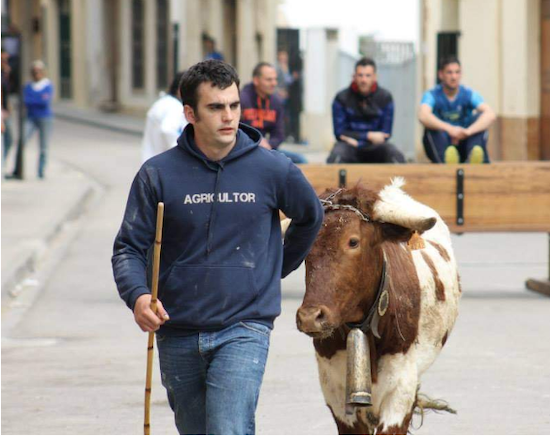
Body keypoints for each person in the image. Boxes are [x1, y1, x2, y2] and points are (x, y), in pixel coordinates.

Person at [112, 60, 323, 435]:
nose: (228, 116)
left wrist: (273, 269)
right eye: (215, 107)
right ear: (189, 112)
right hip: (176, 328)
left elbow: (311, 217)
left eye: (233, 105)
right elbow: (129, 246)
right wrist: (139, 296)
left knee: (227, 429)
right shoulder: (157, 174)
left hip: (244, 325)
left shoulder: (274, 169)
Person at [327, 57, 405, 164]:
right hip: (349, 147)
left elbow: (386, 134)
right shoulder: (341, 98)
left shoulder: (385, 97)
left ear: (375, 77)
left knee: (395, 156)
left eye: (368, 75)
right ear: (354, 76)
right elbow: (339, 132)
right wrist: (369, 136)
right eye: (360, 75)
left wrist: (358, 141)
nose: (363, 80)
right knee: (336, 157)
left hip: (376, 147)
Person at [418, 56, 496, 164]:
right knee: (430, 127)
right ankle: (447, 161)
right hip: (443, 143)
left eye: (457, 72)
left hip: (464, 142)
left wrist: (467, 132)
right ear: (441, 74)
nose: (454, 77)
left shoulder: (468, 94)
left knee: (479, 118)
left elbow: (490, 114)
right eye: (449, 72)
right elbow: (423, 115)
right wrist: (450, 129)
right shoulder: (432, 95)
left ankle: (473, 158)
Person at [240, 62, 307, 164]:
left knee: (301, 160)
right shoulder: (241, 100)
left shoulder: (276, 102)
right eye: (269, 79)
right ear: (256, 80)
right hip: (244, 149)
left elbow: (279, 135)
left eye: (275, 79)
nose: (274, 83)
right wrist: (256, 142)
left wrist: (268, 144)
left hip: (266, 149)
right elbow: (236, 130)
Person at [142, 71, 187, 162]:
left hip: (151, 159)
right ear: (179, 90)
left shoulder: (162, 103)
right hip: (165, 164)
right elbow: (167, 130)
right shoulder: (175, 107)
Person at [22, 60, 53, 179]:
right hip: (30, 117)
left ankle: (41, 171)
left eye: (39, 71)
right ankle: (20, 168)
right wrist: (37, 99)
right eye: (34, 71)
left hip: (45, 117)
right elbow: (26, 101)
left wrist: (33, 100)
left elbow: (45, 102)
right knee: (22, 140)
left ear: (43, 72)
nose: (37, 73)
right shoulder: (28, 86)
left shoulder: (47, 85)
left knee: (43, 147)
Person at [2, 50, 12, 165]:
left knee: (9, 139)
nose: (5, 62)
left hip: (5, 112)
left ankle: (2, 162)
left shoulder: (5, 74)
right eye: (2, 60)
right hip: (2, 113)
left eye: (6, 60)